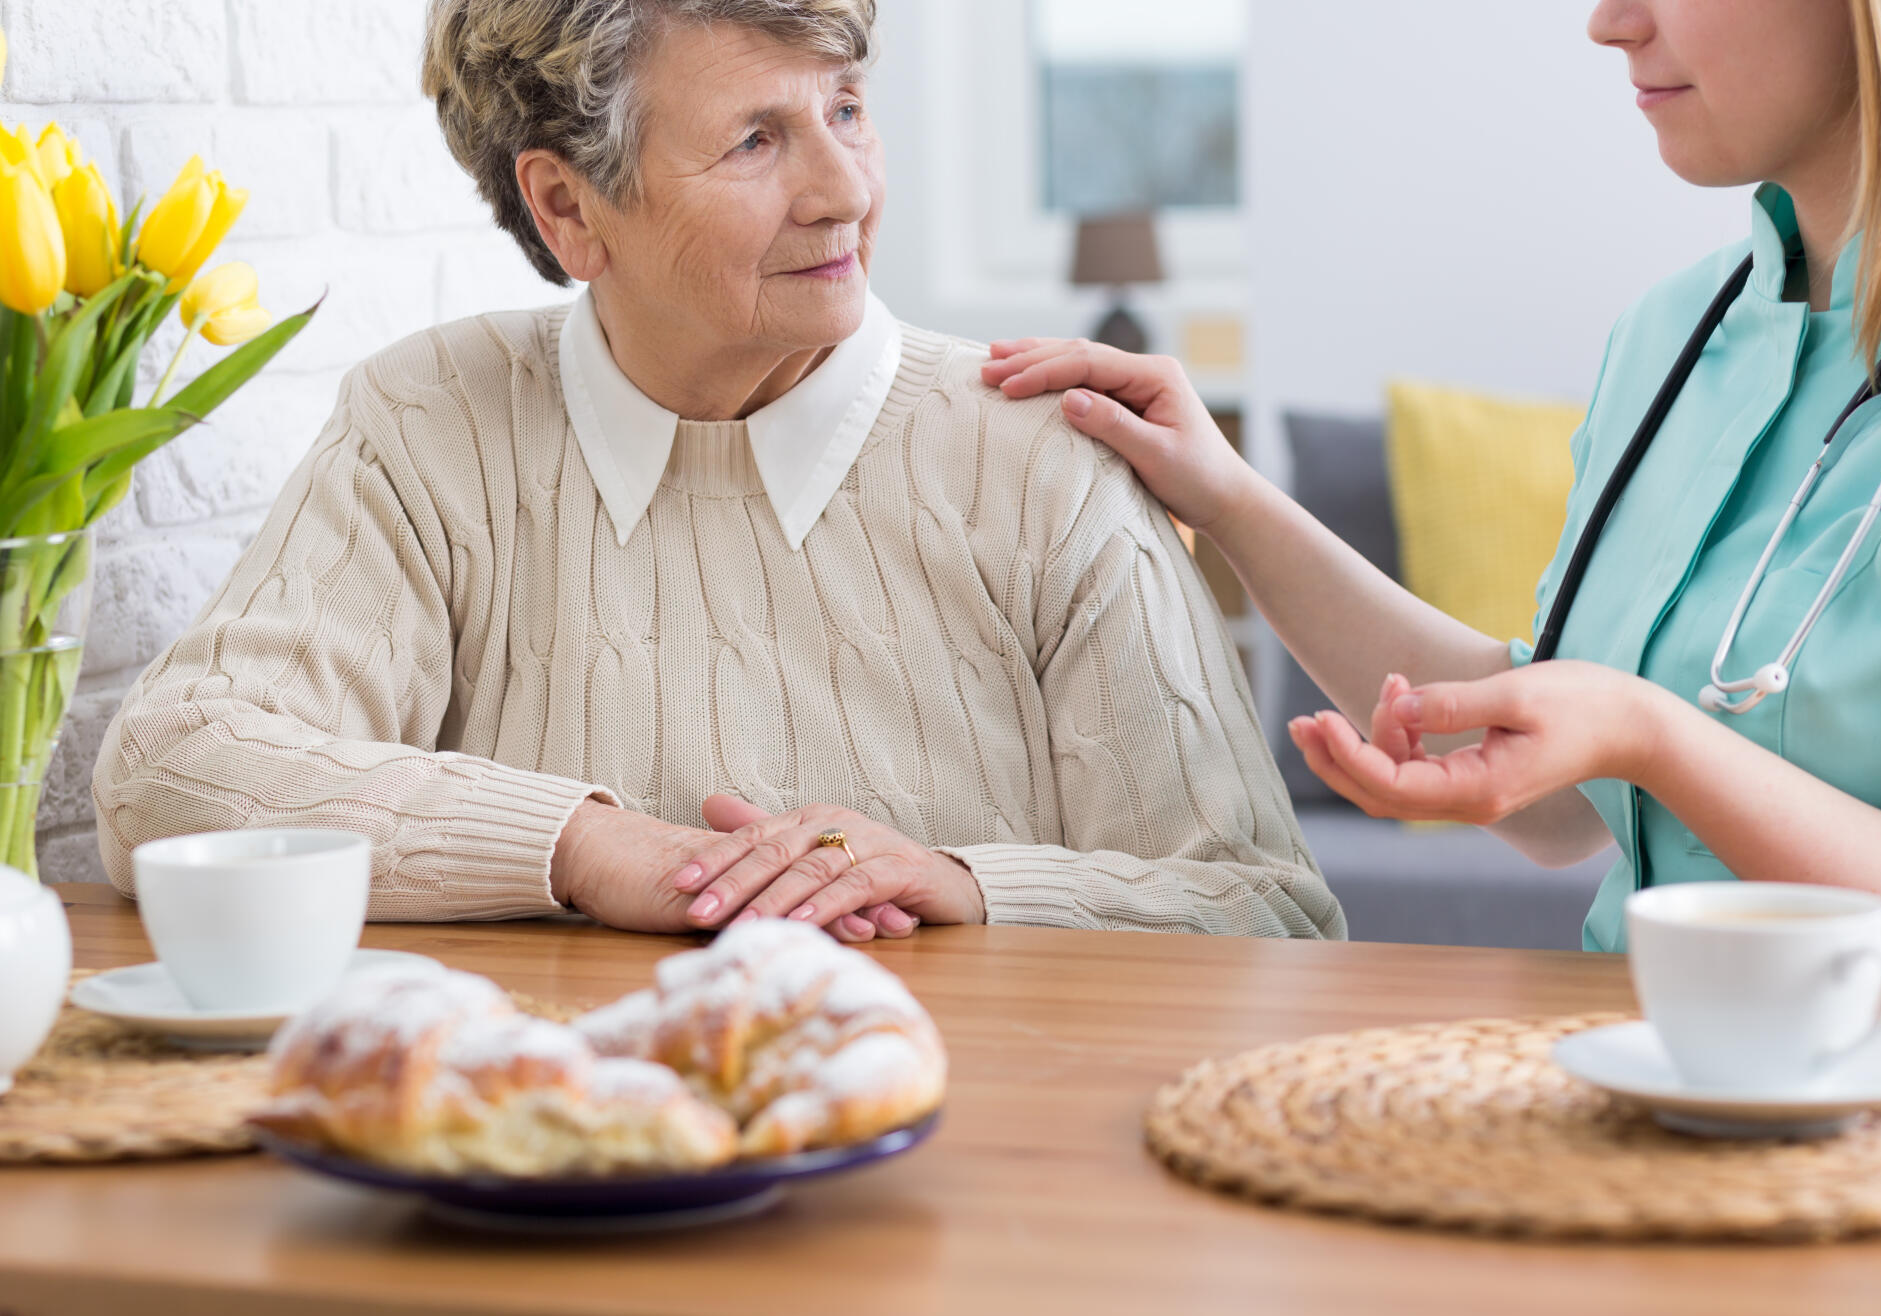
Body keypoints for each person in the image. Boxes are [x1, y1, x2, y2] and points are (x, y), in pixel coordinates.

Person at [91, 0, 1339, 943]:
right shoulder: (430, 424)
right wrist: (585, 846)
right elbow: (166, 774)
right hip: (559, 1179)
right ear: (568, 209)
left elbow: (1266, 909)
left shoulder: (1042, 456)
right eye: (756, 140)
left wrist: (964, 883)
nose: (844, 188)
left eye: (846, 108)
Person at [983, 0, 1881, 963]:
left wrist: (1646, 733)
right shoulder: (1674, 338)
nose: (1607, 23)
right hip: (1634, 1070)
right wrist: (1227, 497)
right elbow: (1557, 805)